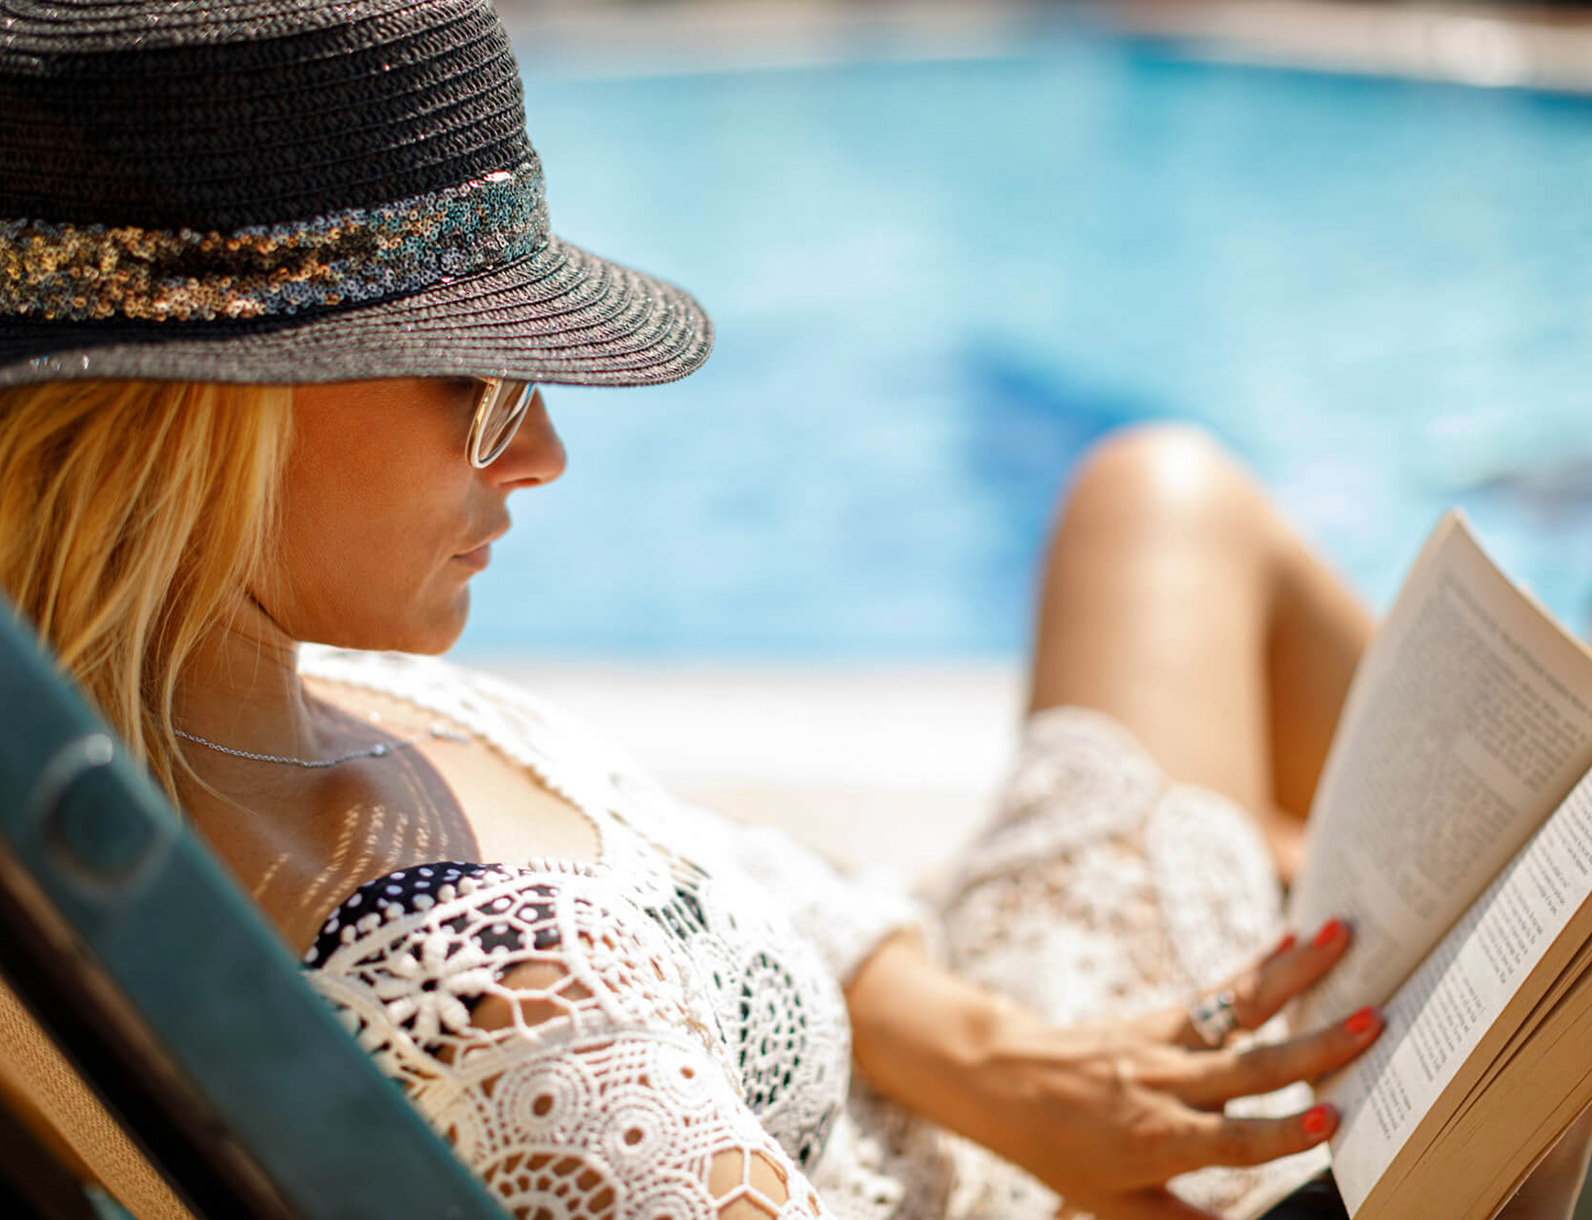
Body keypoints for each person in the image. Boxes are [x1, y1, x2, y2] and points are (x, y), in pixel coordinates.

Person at [1, 3, 1587, 1219]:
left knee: (1157, 497)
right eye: (481, 387)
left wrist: (986, 1057)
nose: (544, 451)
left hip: (1001, 1087)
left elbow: (743, 883)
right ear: (209, 420)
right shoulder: (532, 1022)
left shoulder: (217, 715)